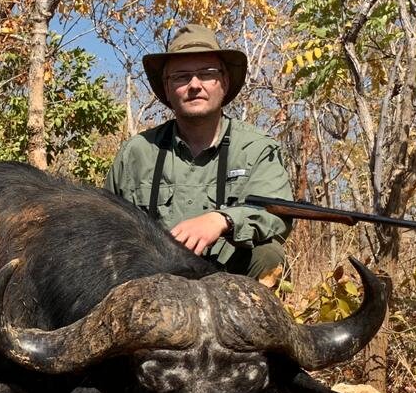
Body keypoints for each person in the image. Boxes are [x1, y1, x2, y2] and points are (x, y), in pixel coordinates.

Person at [104, 24, 293, 282]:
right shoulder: (136, 152)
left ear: (224, 83)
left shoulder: (257, 148)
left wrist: (221, 220)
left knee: (268, 254)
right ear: (167, 89)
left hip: (231, 279)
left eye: (206, 74)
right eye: (181, 77)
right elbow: (108, 227)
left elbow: (276, 213)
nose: (195, 85)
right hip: (154, 279)